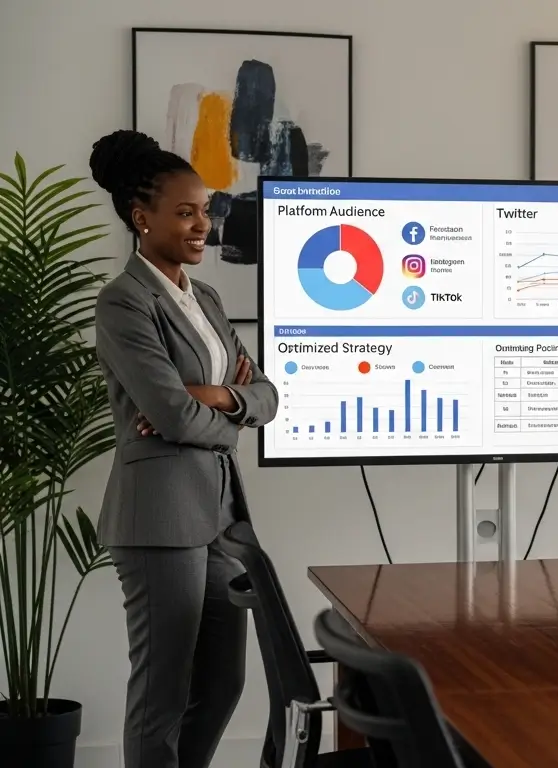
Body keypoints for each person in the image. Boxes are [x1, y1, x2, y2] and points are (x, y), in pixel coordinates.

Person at [89, 129, 279, 768]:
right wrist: (224, 402)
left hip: (220, 518)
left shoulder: (209, 299)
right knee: (162, 691)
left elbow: (268, 395)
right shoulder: (124, 302)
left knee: (225, 681)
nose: (204, 224)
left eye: (206, 210)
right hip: (159, 518)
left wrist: (216, 396)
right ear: (142, 219)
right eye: (186, 212)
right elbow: (169, 411)